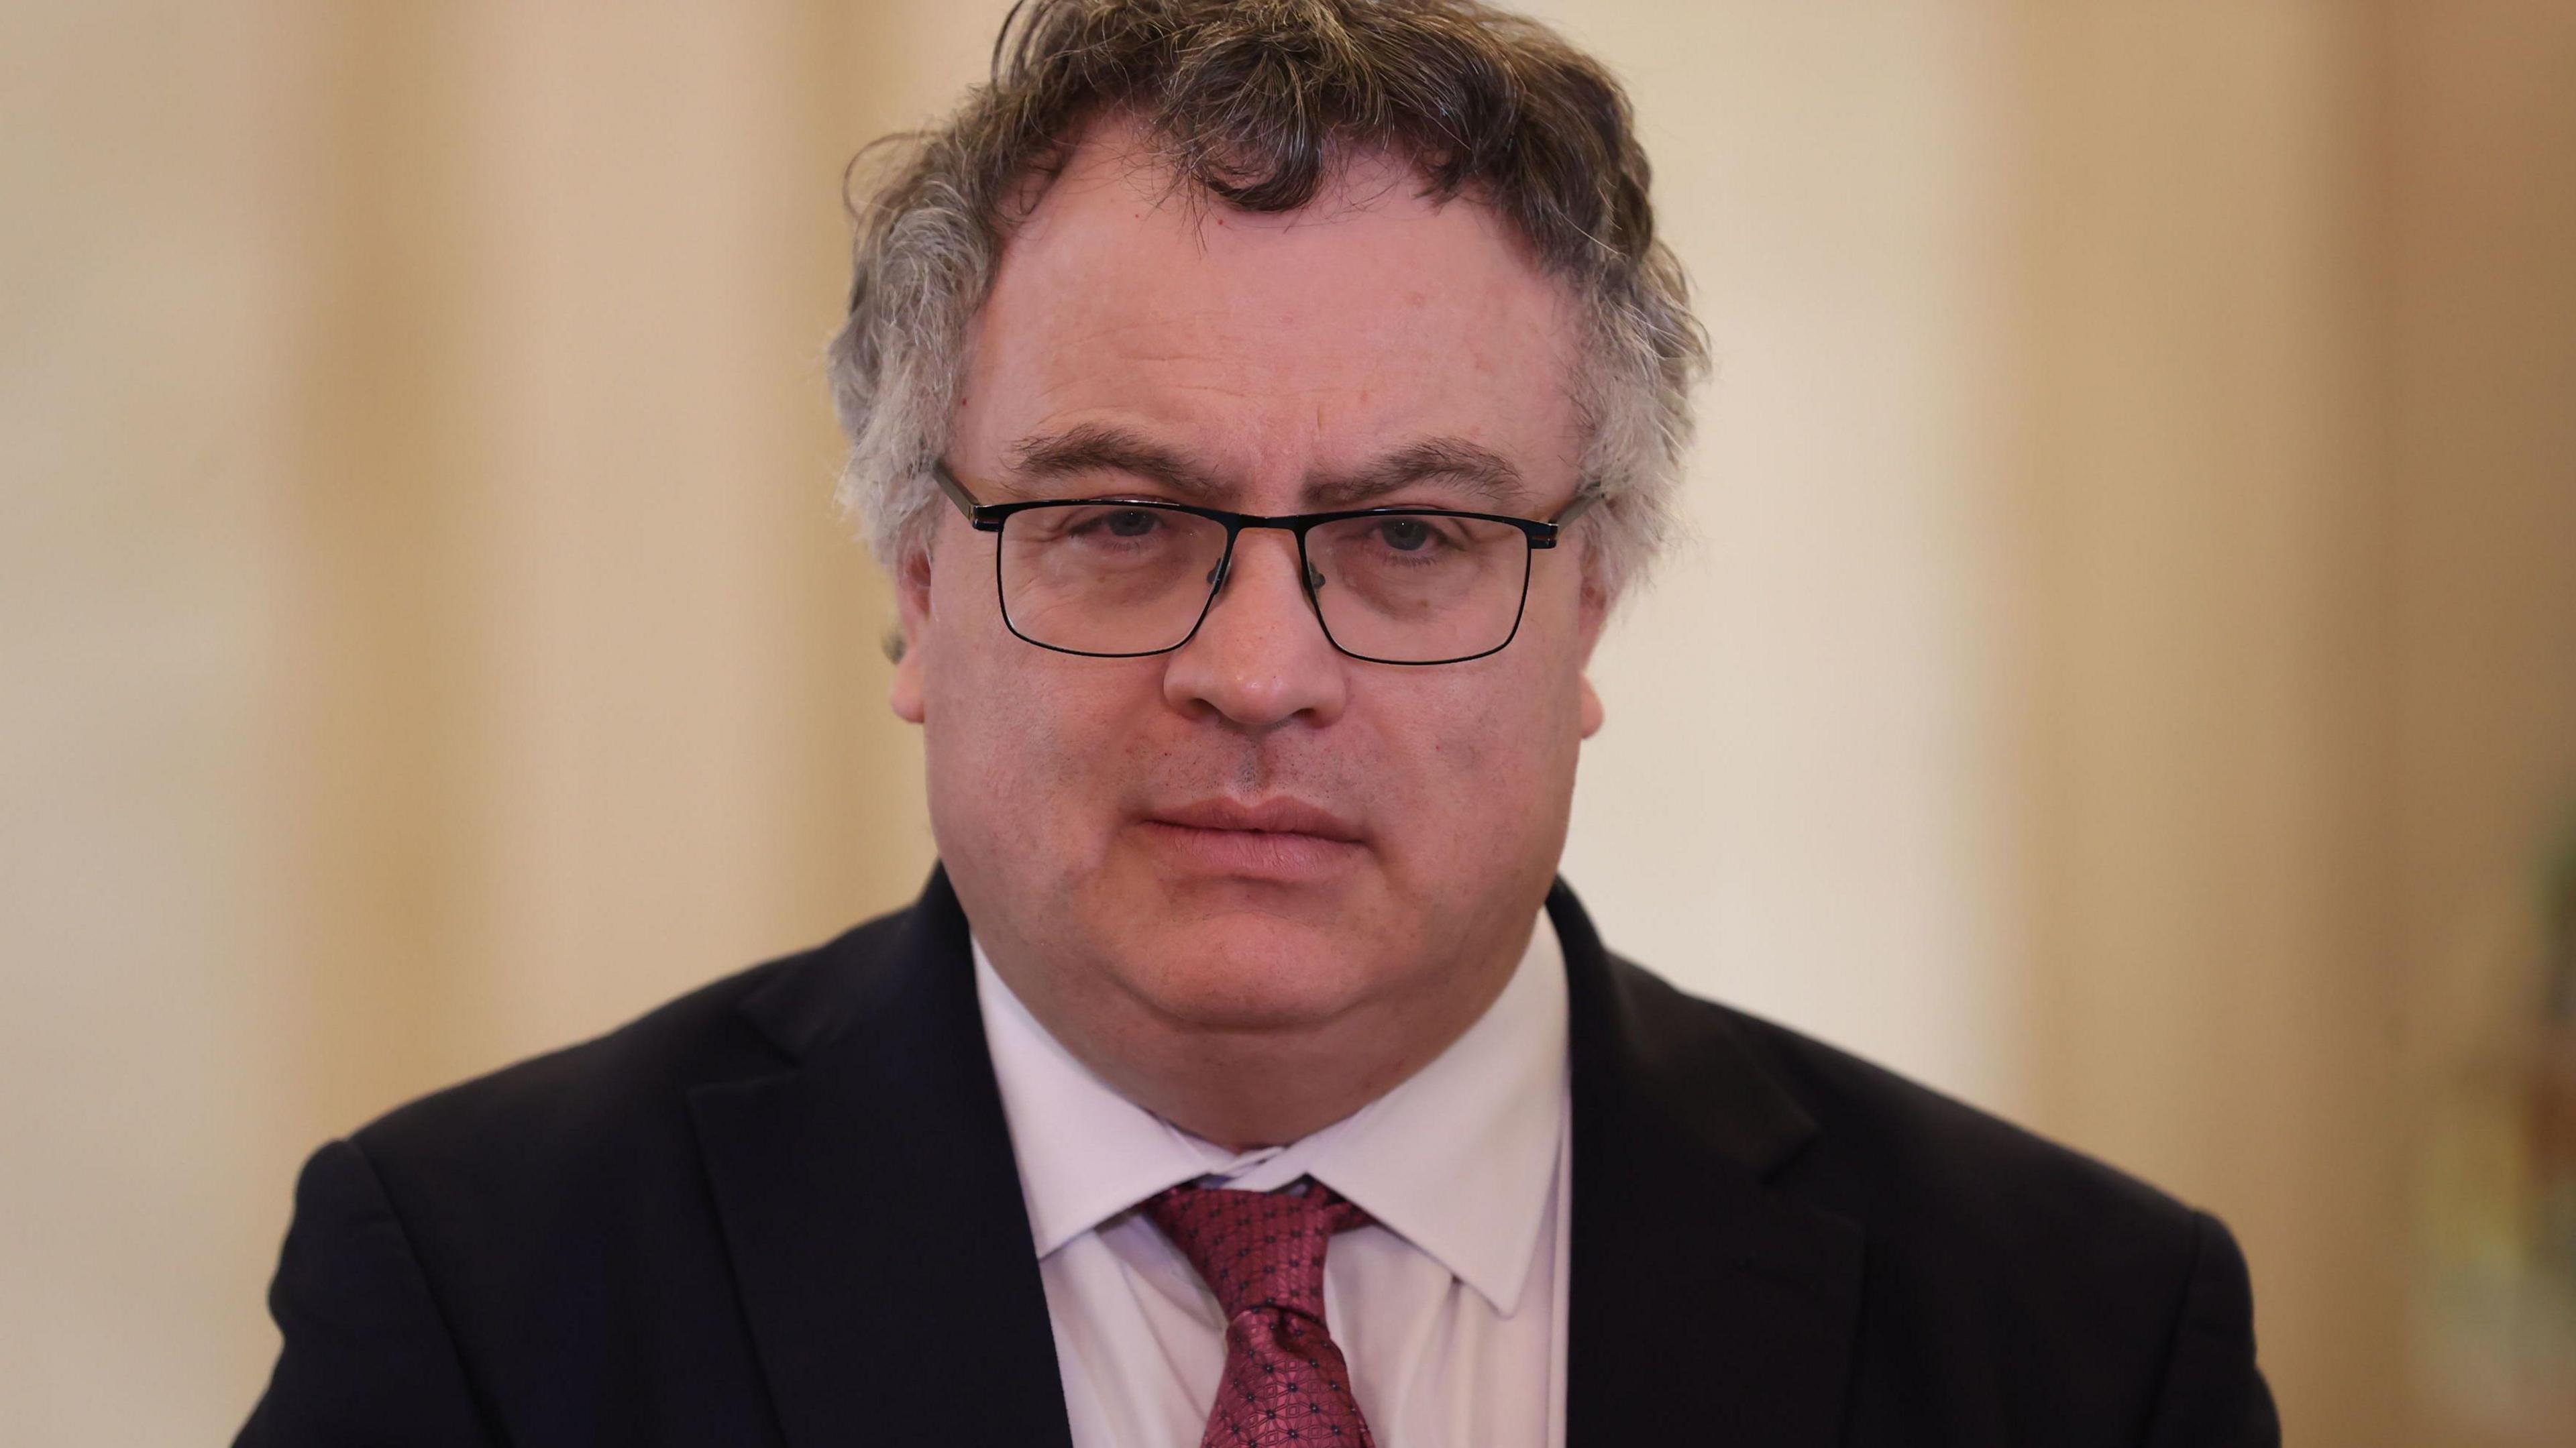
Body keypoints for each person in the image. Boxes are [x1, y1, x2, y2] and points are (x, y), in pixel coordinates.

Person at [235, 2, 2279, 1445]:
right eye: (1122, 519)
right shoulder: (485, 1299)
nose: (1263, 667)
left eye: (1410, 532)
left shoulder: (2078, 1343)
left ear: (1592, 599)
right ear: (919, 585)